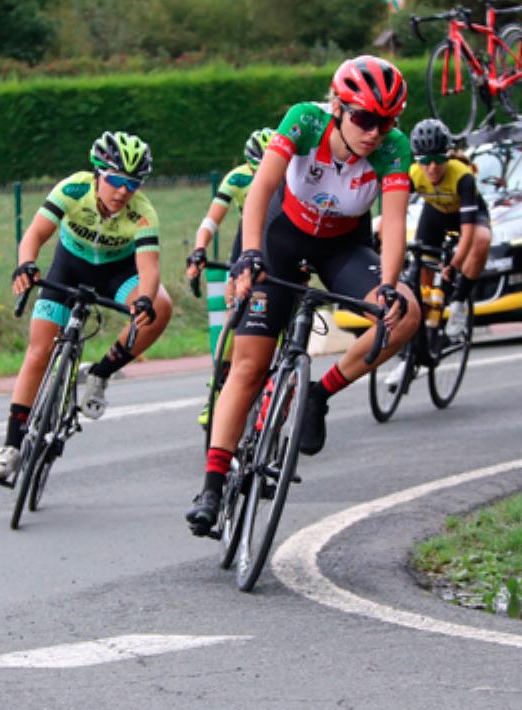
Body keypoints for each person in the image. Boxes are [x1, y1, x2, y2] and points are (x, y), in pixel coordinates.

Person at [184, 55, 423, 535]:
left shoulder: (393, 149)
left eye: (387, 121)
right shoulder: (304, 119)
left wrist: (390, 284)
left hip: (342, 246)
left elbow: (393, 221)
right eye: (364, 118)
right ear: (338, 107)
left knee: (407, 313)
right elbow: (261, 188)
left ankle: (317, 394)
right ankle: (212, 484)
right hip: (281, 234)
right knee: (249, 365)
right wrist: (249, 254)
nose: (375, 131)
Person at [0, 131, 173, 484]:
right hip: (69, 268)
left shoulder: (143, 212)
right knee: (40, 349)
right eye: (115, 181)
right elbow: (35, 235)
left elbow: (149, 269)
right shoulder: (72, 190)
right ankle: (11, 446)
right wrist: (27, 264)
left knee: (160, 306)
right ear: (98, 174)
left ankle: (101, 372)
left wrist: (144, 300)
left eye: (132, 184)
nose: (123, 191)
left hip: (118, 274)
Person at [186, 127, 275, 427]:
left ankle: (280, 379)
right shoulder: (238, 178)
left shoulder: (293, 174)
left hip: (281, 241)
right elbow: (212, 220)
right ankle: (218, 385)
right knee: (236, 312)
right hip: (248, 242)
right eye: (257, 168)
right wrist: (199, 247)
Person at [406, 118, 492, 340]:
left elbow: (469, 231)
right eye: (426, 160)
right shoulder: (413, 173)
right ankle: (418, 344)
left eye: (438, 159)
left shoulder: (462, 175)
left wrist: (453, 265)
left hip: (465, 218)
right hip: (435, 215)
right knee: (422, 275)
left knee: (481, 240)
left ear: (448, 155)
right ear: (417, 160)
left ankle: (459, 302)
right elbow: (393, 213)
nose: (432, 167)